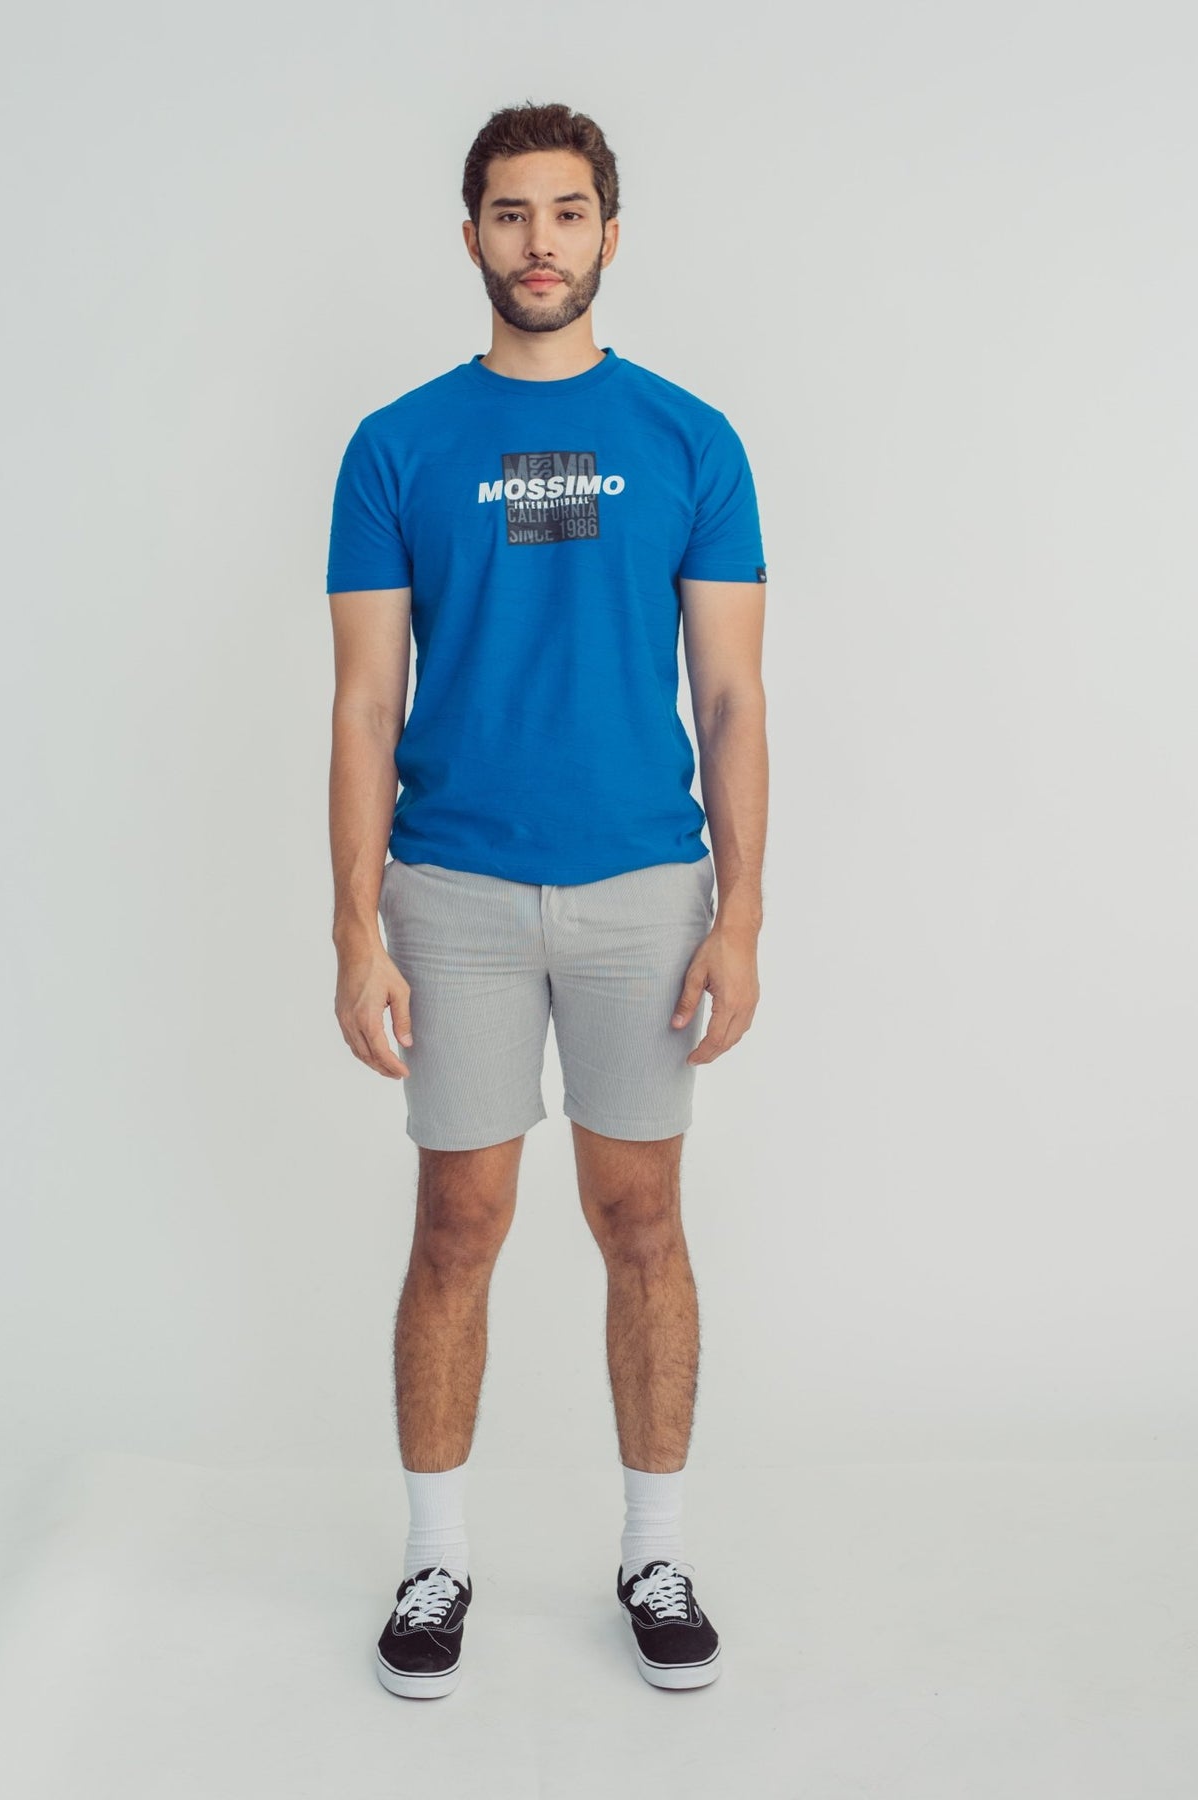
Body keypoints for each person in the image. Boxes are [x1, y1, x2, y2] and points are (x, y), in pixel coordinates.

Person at [325, 101, 768, 1699]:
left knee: (641, 1219)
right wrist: (353, 929)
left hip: (646, 888)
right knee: (459, 1222)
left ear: (609, 235)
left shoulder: (691, 440)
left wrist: (743, 914)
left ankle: (654, 1548)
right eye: (510, 213)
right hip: (450, 891)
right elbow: (364, 705)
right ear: (472, 237)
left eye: (567, 212)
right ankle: (437, 1557)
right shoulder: (397, 446)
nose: (539, 242)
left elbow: (732, 698)